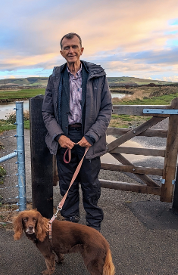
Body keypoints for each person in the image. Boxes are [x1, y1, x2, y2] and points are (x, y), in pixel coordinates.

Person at [42, 32, 112, 231]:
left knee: (91, 184)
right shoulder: (55, 78)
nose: (70, 51)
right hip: (65, 139)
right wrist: (59, 136)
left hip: (89, 137)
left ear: (81, 50)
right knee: (67, 185)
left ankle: (93, 229)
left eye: (74, 47)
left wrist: (91, 136)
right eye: (66, 47)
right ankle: (72, 226)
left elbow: (106, 109)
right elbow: (47, 112)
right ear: (62, 52)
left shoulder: (97, 76)